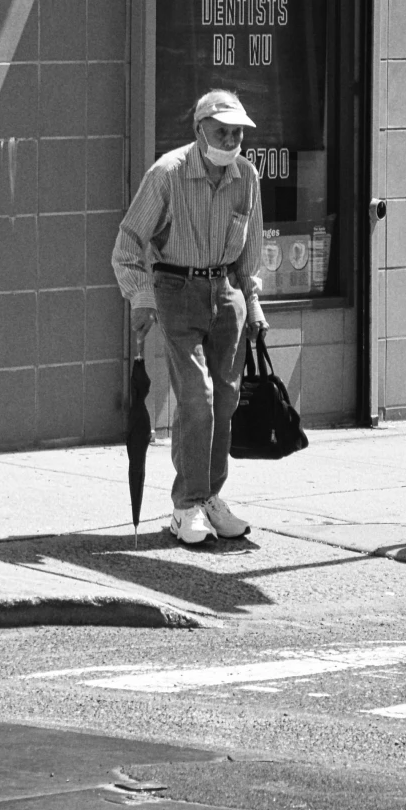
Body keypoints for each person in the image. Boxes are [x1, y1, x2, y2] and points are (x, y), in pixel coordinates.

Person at [112, 90, 268, 547]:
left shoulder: (247, 176)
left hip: (227, 293)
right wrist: (141, 298)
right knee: (197, 399)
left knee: (225, 402)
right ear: (199, 130)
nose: (231, 139)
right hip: (177, 289)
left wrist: (253, 302)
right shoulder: (168, 173)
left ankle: (210, 498)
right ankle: (186, 505)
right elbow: (127, 245)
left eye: (237, 131)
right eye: (222, 130)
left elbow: (250, 251)